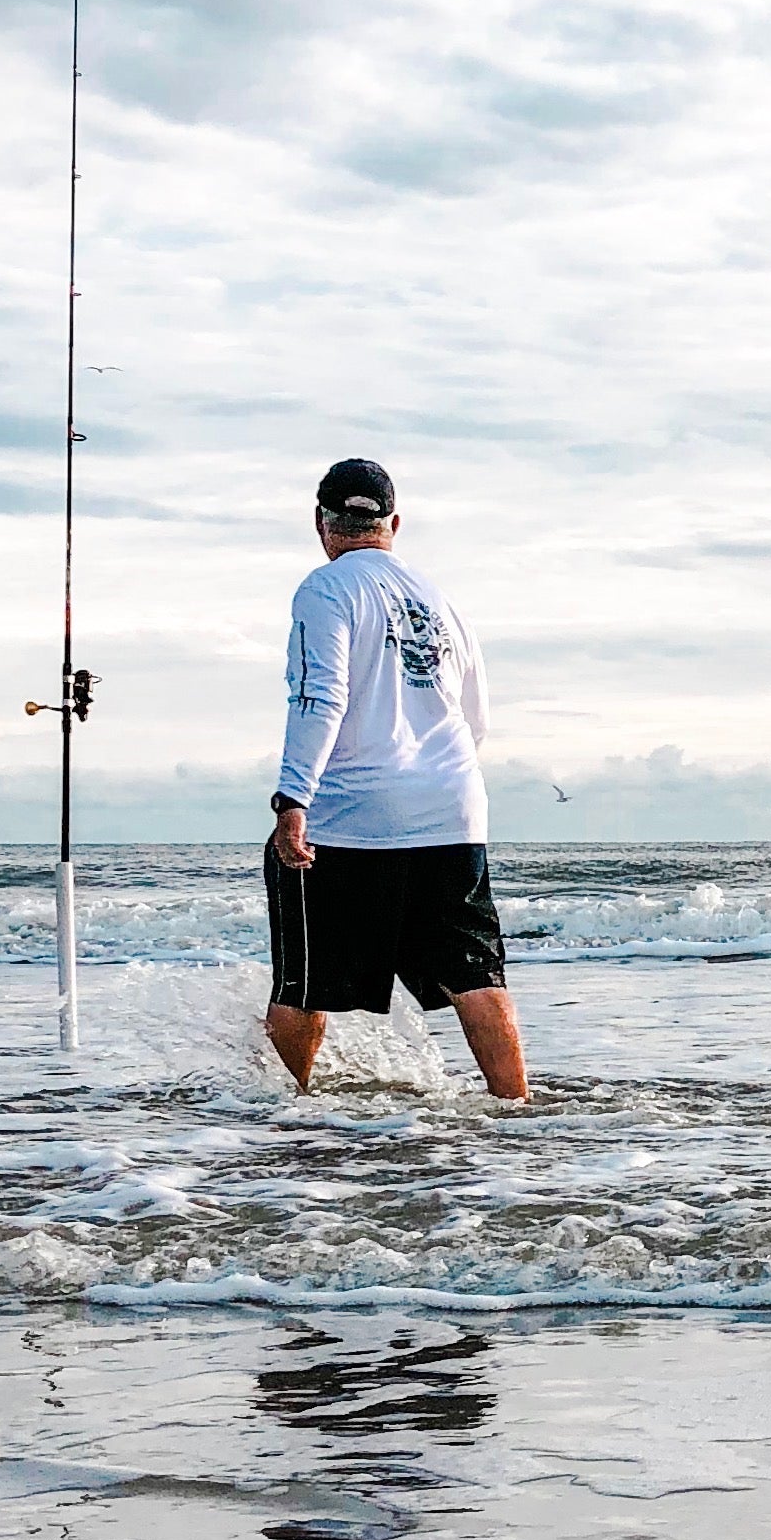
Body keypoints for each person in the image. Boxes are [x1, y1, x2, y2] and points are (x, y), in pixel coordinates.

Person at [264, 459, 528, 1101]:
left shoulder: (326, 589)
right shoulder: (442, 600)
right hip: (451, 809)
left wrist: (293, 798)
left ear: (323, 525)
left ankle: (295, 1116)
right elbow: (476, 719)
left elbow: (320, 697)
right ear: (393, 524)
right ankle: (518, 1113)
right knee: (476, 975)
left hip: (351, 815)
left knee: (302, 983)